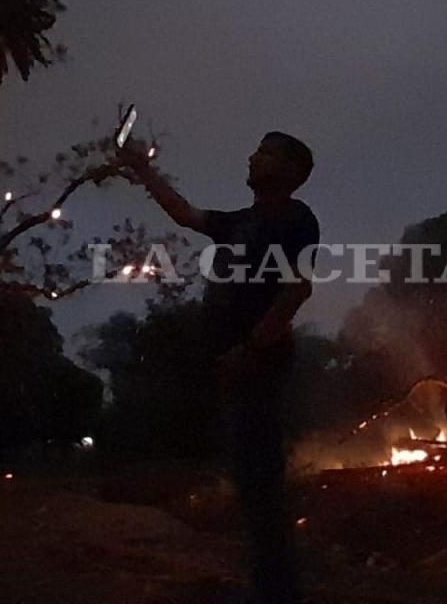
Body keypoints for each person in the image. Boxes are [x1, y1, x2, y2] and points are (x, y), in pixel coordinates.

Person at [114, 131, 320, 603]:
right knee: (252, 485)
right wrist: (143, 170)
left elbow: (296, 289)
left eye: (265, 152)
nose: (252, 156)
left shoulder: (295, 218)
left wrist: (250, 349)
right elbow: (185, 214)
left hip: (258, 367)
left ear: (290, 171)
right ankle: (271, 586)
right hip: (238, 366)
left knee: (262, 485)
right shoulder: (242, 221)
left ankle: (279, 591)